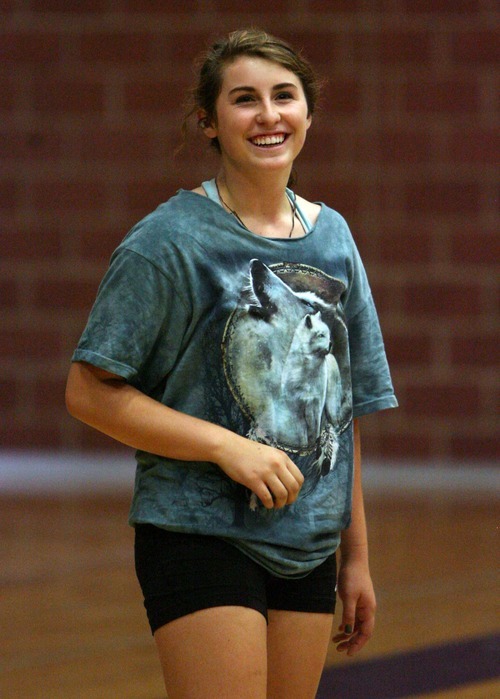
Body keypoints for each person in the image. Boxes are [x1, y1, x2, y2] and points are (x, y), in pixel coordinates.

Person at [66, 28, 397, 699]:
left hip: (306, 541)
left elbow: (342, 414)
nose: (268, 114)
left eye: (284, 95)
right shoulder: (168, 240)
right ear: (208, 122)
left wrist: (355, 556)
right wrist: (227, 447)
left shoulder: (334, 238)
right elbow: (88, 391)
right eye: (244, 99)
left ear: (308, 113)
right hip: (197, 530)